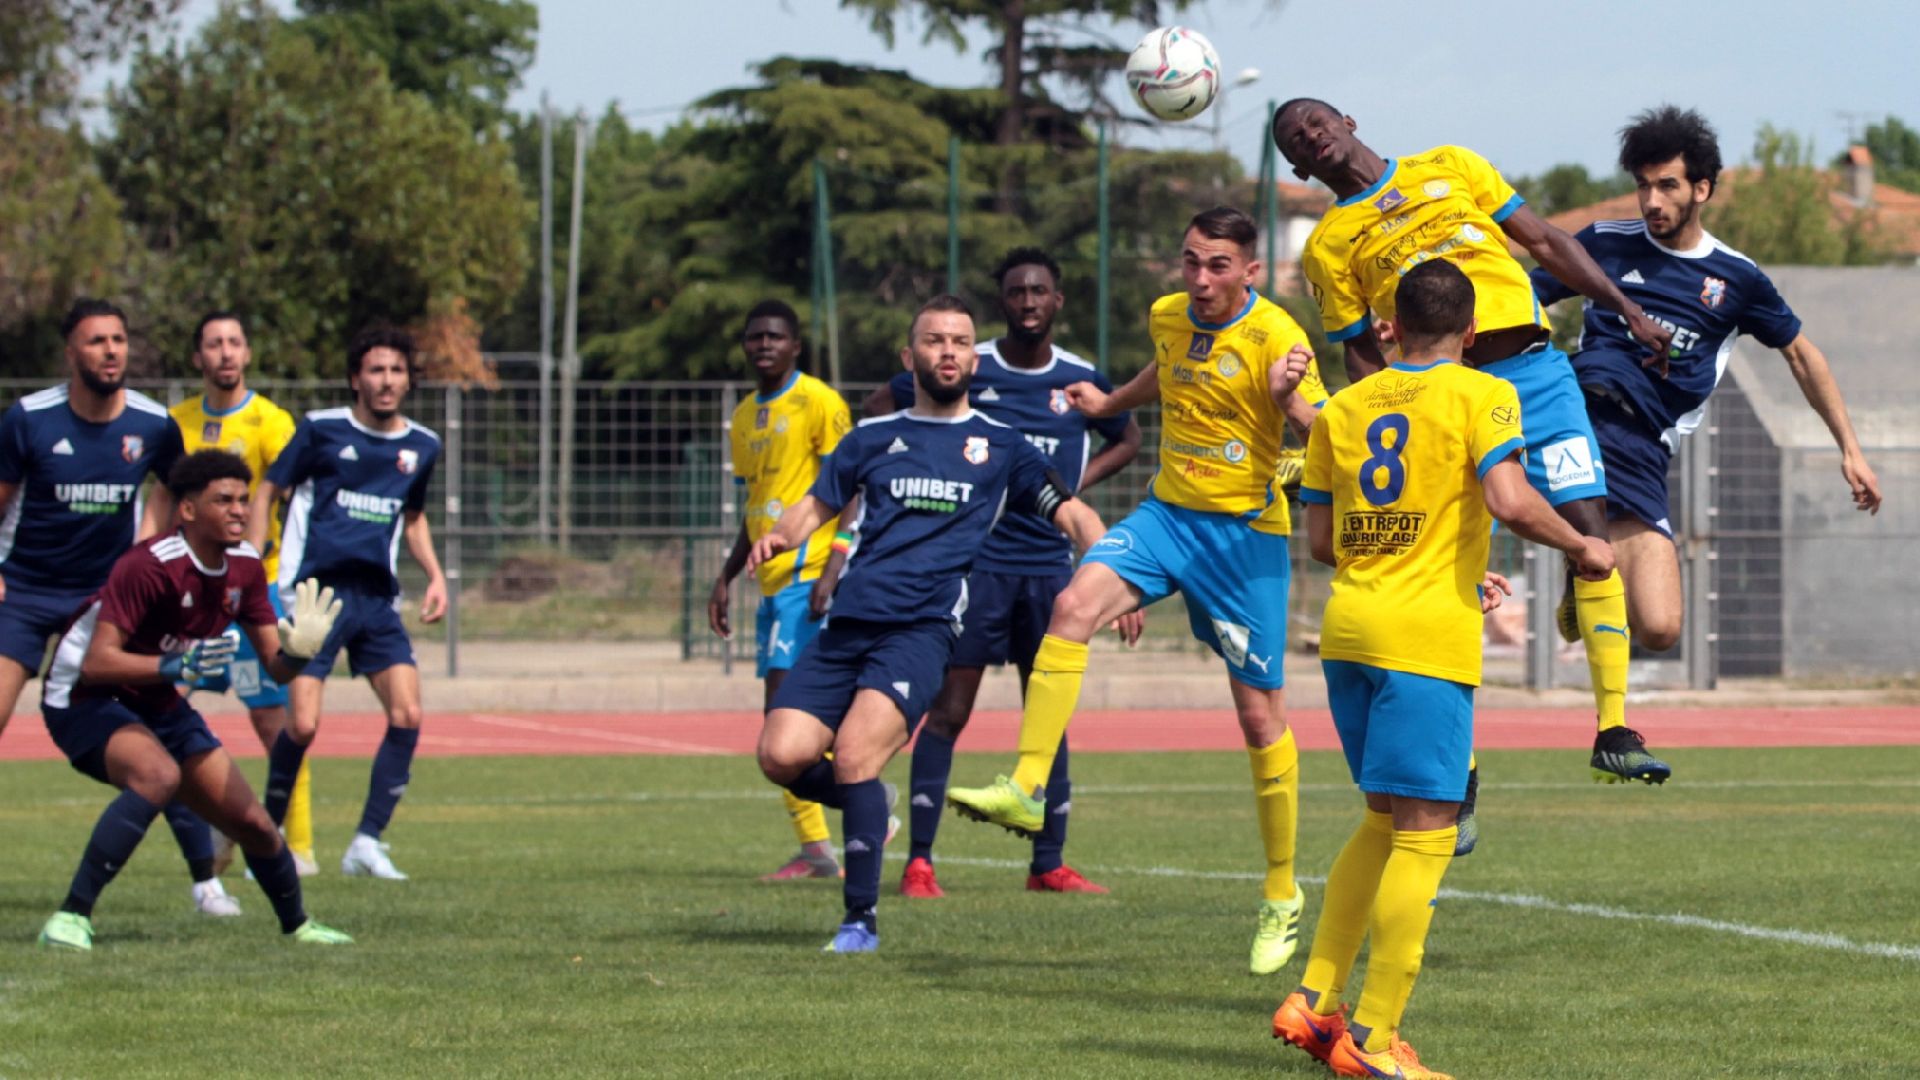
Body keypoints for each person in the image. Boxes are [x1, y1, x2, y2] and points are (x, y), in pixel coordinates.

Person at [948, 207, 1325, 975]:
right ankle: (1026, 785)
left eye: (1218, 265)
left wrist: (1291, 405)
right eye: (1190, 261)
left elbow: (1331, 437)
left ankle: (1282, 894)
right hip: (1165, 517)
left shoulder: (1281, 338)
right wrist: (1109, 405)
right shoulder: (1167, 315)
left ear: (1250, 272)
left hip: (1244, 539)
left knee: (1260, 721)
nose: (1200, 278)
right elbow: (1168, 369)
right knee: (1072, 606)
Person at [1272, 98, 1675, 808]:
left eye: (1315, 120)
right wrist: (1403, 412)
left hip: (1537, 375)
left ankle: (1614, 729)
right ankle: (1459, 767)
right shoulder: (1329, 243)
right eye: (1295, 139)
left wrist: (1627, 309)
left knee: (1593, 533)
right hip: (1449, 393)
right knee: (1448, 565)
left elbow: (1546, 242)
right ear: (1299, 167)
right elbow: (1363, 354)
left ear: (1348, 122)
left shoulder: (1449, 165)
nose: (1310, 135)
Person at [1271, 261, 1614, 1078]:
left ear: (1389, 323)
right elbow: (1506, 496)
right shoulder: (1480, 393)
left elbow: (1321, 544)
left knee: (1382, 822)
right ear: (1469, 334)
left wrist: (1441, 561)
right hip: (1423, 639)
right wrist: (1581, 543)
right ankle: (1378, 1044)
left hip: (1350, 629)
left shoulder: (1343, 407)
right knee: (1426, 838)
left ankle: (1317, 1005)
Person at [748, 294, 1115, 953]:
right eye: (935, 340)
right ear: (909, 356)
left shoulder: (1002, 447)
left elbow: (1072, 513)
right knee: (780, 754)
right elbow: (816, 506)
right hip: (848, 626)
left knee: (856, 753)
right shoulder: (868, 440)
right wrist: (776, 538)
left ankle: (859, 922)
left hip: (920, 632)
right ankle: (871, 808)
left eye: (960, 341)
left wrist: (1117, 571)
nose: (948, 351)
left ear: (975, 357)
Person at [1531, 105, 1883, 780]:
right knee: (1577, 543)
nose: (1652, 199)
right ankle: (1605, 726)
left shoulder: (1738, 280)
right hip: (1581, 413)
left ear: (1703, 188)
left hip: (1646, 447)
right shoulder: (1603, 242)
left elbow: (1803, 355)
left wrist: (1850, 448)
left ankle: (1584, 581)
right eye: (1644, 185)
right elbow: (1519, 299)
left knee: (1661, 627)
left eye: (1667, 185)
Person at [861, 247, 1141, 898]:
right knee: (948, 709)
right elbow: (882, 405)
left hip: (1048, 571)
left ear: (1057, 301)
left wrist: (1072, 485)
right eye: (1015, 292)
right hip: (975, 569)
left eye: (1038, 292)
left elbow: (1126, 436)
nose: (1027, 303)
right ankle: (920, 862)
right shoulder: (971, 366)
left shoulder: (1078, 377)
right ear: (1003, 302)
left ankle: (1048, 863)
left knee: (1047, 715)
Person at [36, 449, 353, 950]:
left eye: (244, 500)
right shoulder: (148, 566)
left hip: (155, 697)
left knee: (252, 822)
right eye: (223, 500)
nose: (240, 510)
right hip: (82, 696)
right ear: (187, 510)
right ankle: (70, 918)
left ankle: (299, 927)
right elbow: (97, 661)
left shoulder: (246, 568)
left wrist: (300, 653)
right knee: (158, 775)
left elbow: (275, 665)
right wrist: (173, 667)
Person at [0, 299, 241, 916]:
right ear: (70, 353)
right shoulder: (28, 420)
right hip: (25, 593)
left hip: (108, 600)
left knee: (159, 735)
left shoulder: (155, 425)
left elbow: (181, 495)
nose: (111, 351)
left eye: (118, 340)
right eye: (96, 341)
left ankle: (206, 883)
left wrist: (151, 560)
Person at [250, 325, 447, 881]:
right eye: (376, 370)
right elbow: (270, 488)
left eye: (397, 371)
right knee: (305, 726)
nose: (387, 381)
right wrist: (251, 551)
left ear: (408, 381)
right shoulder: (321, 429)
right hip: (314, 596)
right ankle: (265, 832)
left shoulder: (422, 446)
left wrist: (435, 575)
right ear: (355, 378)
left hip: (376, 599)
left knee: (408, 713)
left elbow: (413, 519)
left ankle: (366, 842)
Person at [708, 299, 861, 881]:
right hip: (770, 582)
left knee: (783, 718)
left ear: (796, 346)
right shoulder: (745, 415)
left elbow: (851, 488)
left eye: (774, 336)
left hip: (809, 573)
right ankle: (827, 835)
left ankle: (848, 812)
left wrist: (834, 568)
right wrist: (725, 578)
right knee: (788, 718)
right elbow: (754, 508)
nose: (763, 344)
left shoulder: (818, 401)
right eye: (754, 337)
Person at [168, 311, 319, 874]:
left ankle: (295, 842)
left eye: (235, 341)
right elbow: (163, 503)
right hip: (187, 596)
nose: (226, 352)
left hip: (252, 595)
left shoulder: (270, 421)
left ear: (247, 353)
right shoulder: (175, 422)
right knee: (162, 708)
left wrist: (254, 563)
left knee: (275, 723)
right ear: (198, 358)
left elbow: (281, 493)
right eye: (214, 344)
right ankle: (208, 829)